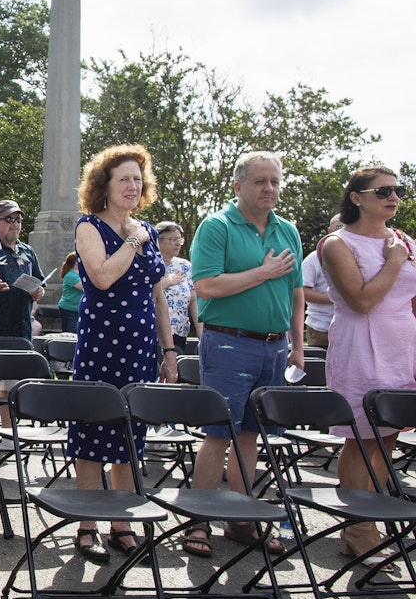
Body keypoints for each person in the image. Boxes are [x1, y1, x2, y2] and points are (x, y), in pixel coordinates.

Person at [185, 151, 303, 557]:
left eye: (275, 181)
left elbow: (297, 292)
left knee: (251, 435)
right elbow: (206, 287)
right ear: (238, 186)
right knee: (218, 434)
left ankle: (239, 520)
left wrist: (297, 346)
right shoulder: (217, 226)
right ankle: (198, 520)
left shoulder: (287, 230)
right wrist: (263, 272)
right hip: (229, 343)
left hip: (275, 346)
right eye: (260, 181)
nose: (269, 188)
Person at [67, 144, 177, 564]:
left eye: (138, 178)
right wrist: (133, 239)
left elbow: (158, 296)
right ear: (105, 186)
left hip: (141, 350)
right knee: (94, 435)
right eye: (123, 179)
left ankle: (123, 524)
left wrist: (169, 352)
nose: (133, 186)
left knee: (132, 435)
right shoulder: (90, 227)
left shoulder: (144, 228)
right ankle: (88, 524)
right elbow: (103, 276)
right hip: (102, 347)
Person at [322, 167, 416, 571]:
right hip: (362, 344)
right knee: (362, 436)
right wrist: (394, 262)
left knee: (389, 435)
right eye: (383, 191)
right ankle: (357, 528)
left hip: (402, 345)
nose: (393, 197)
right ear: (357, 197)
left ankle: (367, 521)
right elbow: (361, 301)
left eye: (398, 190)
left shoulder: (404, 240)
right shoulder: (337, 243)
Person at [0, 199, 44, 340]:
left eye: (18, 220)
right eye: (9, 219)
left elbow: (40, 284)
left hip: (24, 332)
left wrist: (38, 293)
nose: (15, 224)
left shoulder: (28, 251)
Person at [156, 221, 201, 354]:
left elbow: (194, 301)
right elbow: (143, 293)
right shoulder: (146, 263)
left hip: (179, 334)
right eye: (173, 239)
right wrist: (167, 281)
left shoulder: (185, 266)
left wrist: (201, 334)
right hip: (152, 333)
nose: (178, 244)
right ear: (158, 241)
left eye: (179, 240)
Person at [302, 214, 342, 348]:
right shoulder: (314, 258)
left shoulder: (358, 256)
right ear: (329, 231)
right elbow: (301, 291)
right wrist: (335, 298)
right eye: (339, 227)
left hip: (349, 327)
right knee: (320, 367)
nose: (343, 232)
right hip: (321, 328)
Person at [57, 252, 82, 333]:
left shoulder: (79, 274)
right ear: (76, 262)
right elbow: (84, 287)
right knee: (70, 334)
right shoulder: (70, 275)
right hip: (69, 309)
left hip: (78, 308)